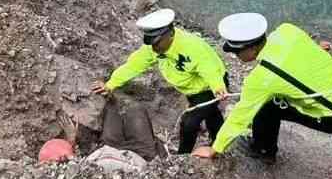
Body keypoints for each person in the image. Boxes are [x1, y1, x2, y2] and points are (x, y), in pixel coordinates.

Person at [192, 13, 332, 179]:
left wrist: (215, 149)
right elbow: (310, 50)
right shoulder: (287, 31)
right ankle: (263, 148)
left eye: (236, 52)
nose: (235, 56)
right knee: (269, 104)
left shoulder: (262, 79)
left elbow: (239, 117)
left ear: (251, 48)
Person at [93, 8, 230, 154]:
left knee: (189, 122)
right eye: (151, 43)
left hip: (208, 87)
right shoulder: (154, 48)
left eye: (157, 42)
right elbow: (133, 65)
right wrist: (110, 85)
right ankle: (218, 140)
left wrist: (218, 87)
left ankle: (183, 155)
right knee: (211, 113)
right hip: (191, 88)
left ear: (170, 34)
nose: (154, 47)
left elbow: (209, 69)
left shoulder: (191, 47)